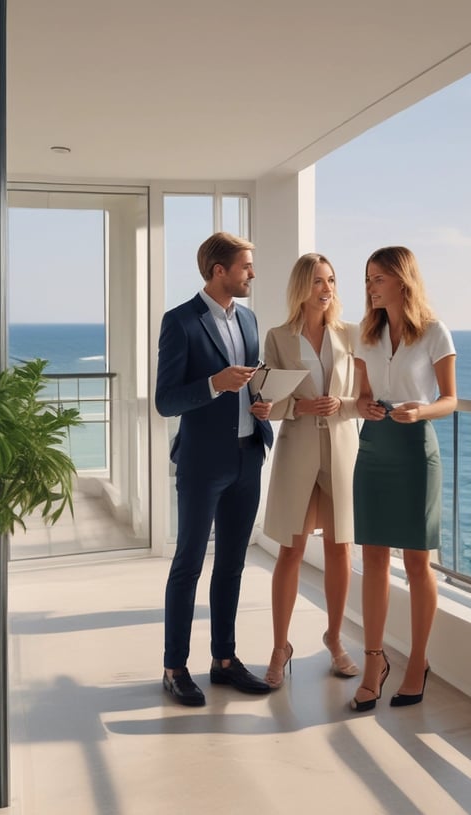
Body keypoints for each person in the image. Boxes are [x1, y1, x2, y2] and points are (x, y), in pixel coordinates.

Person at [155, 231, 274, 706]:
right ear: (218, 270)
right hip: (204, 463)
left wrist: (261, 402)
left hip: (248, 456)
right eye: (245, 266)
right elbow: (167, 401)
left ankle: (224, 661)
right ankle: (174, 668)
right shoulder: (180, 322)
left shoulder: (248, 319)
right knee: (187, 565)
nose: (252, 274)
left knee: (232, 564)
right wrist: (213, 383)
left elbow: (250, 385)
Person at [350, 246, 457, 712]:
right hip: (374, 448)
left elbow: (451, 399)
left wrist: (421, 411)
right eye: (368, 279)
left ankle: (417, 662)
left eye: (378, 279)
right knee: (372, 556)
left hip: (415, 451)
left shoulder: (434, 333)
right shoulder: (365, 335)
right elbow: (362, 396)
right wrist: (363, 407)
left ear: (402, 281)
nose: (371, 287)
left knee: (417, 563)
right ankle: (374, 662)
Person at [261, 253, 361, 688]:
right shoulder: (279, 338)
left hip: (342, 451)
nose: (328, 288)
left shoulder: (351, 335)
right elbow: (269, 403)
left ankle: (334, 639)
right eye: (319, 280)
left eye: (332, 280)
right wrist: (298, 406)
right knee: (292, 549)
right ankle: (280, 647)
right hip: (298, 449)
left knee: (341, 548)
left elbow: (364, 399)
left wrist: (343, 405)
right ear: (303, 286)